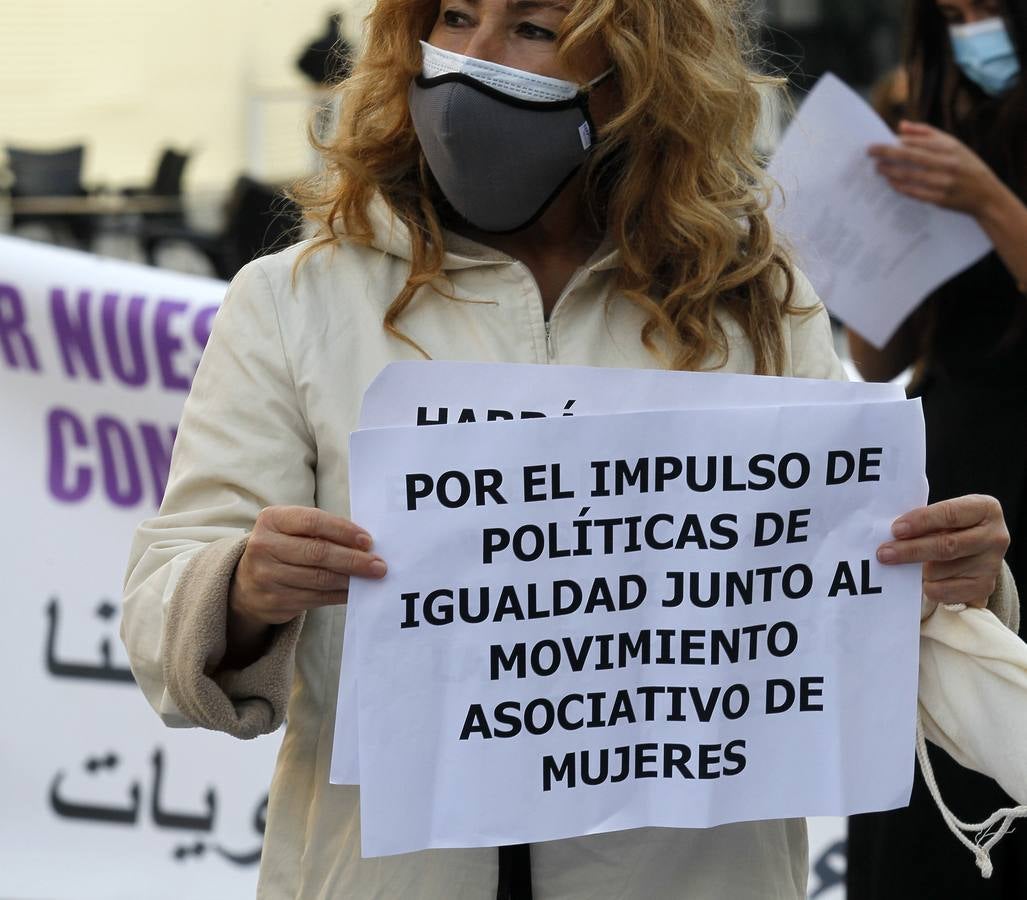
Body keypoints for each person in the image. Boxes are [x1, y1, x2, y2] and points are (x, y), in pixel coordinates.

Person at [121, 2, 1017, 898]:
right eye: (456, 16)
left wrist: (952, 580)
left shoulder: (751, 302)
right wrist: (242, 589)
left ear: (633, 74)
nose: (470, 60)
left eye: (533, 30)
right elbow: (163, 619)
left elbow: (851, 590)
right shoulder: (293, 300)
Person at [847, 0, 1027, 897]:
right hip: (947, 445)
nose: (973, 30)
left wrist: (987, 200)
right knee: (923, 741)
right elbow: (873, 357)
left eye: (989, 8)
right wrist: (873, 248)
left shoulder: (979, 164)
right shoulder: (926, 114)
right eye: (951, 12)